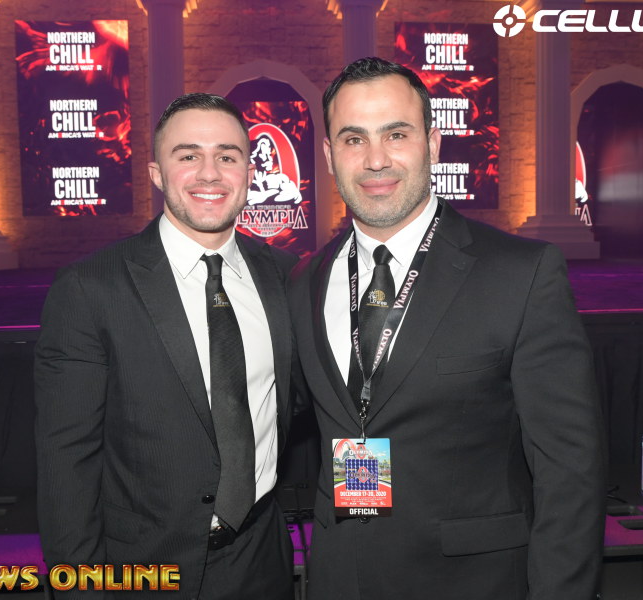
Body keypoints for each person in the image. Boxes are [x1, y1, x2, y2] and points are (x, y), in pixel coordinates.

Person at [288, 57, 605, 599]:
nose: (376, 159)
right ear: (329, 155)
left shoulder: (521, 274)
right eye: (354, 139)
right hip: (342, 579)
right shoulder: (305, 279)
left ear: (433, 145)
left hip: (473, 583)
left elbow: (570, 470)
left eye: (396, 134)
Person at [35, 93, 298, 599]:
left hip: (261, 560)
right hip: (143, 568)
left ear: (249, 173)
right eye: (188, 155)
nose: (209, 173)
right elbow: (66, 459)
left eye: (227, 156)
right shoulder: (91, 288)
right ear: (157, 174)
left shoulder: (285, 277)